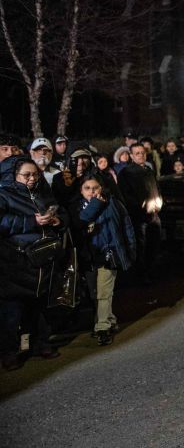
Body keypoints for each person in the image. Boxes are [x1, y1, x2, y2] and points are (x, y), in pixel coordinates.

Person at [0, 157, 68, 370]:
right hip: (16, 263)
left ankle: (42, 344)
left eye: (35, 175)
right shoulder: (4, 195)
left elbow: (62, 213)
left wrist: (58, 221)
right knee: (12, 313)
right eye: (26, 175)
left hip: (43, 262)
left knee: (40, 308)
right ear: (14, 176)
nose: (31, 179)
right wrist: (31, 221)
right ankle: (9, 353)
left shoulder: (42, 194)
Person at [70, 174, 136, 345]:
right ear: (80, 190)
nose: (92, 192)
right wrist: (95, 205)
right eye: (87, 188)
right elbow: (79, 223)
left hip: (108, 253)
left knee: (103, 292)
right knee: (95, 293)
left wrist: (129, 250)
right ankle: (110, 319)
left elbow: (126, 226)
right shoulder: (77, 207)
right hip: (88, 256)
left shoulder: (112, 203)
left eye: (95, 188)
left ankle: (102, 327)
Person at [118, 144, 162, 284]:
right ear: (131, 156)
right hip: (138, 217)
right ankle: (141, 276)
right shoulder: (126, 173)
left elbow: (156, 188)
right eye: (137, 153)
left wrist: (159, 200)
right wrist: (142, 206)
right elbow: (126, 196)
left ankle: (150, 270)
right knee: (140, 247)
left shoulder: (148, 170)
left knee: (154, 244)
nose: (141, 155)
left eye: (142, 153)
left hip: (154, 214)